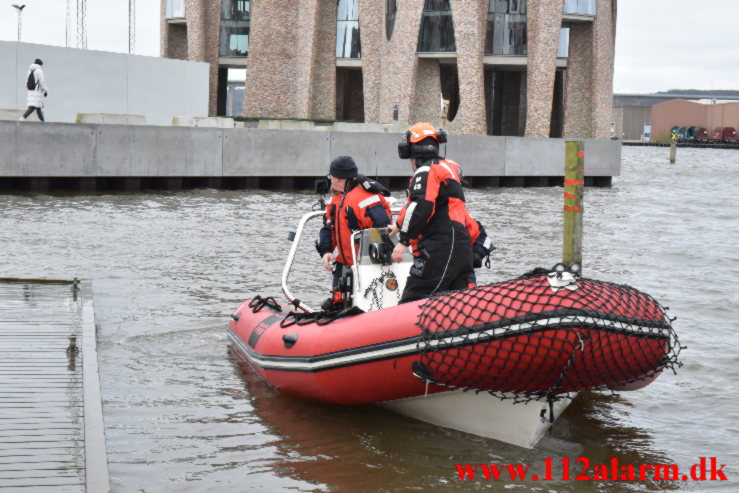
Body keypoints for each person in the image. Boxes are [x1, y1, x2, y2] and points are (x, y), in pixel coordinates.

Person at [388, 122, 475, 303]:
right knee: (456, 302)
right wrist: (398, 225)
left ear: (413, 150)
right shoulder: (446, 168)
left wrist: (403, 241)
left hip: (440, 248)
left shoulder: (426, 171)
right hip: (459, 246)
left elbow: (422, 206)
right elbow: (418, 205)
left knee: (414, 300)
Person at [316, 156, 392, 310]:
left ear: (337, 178)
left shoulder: (367, 199)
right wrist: (326, 251)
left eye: (330, 177)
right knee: (338, 304)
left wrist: (375, 258)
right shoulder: (337, 199)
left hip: (366, 267)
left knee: (368, 305)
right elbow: (329, 227)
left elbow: (382, 230)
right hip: (344, 266)